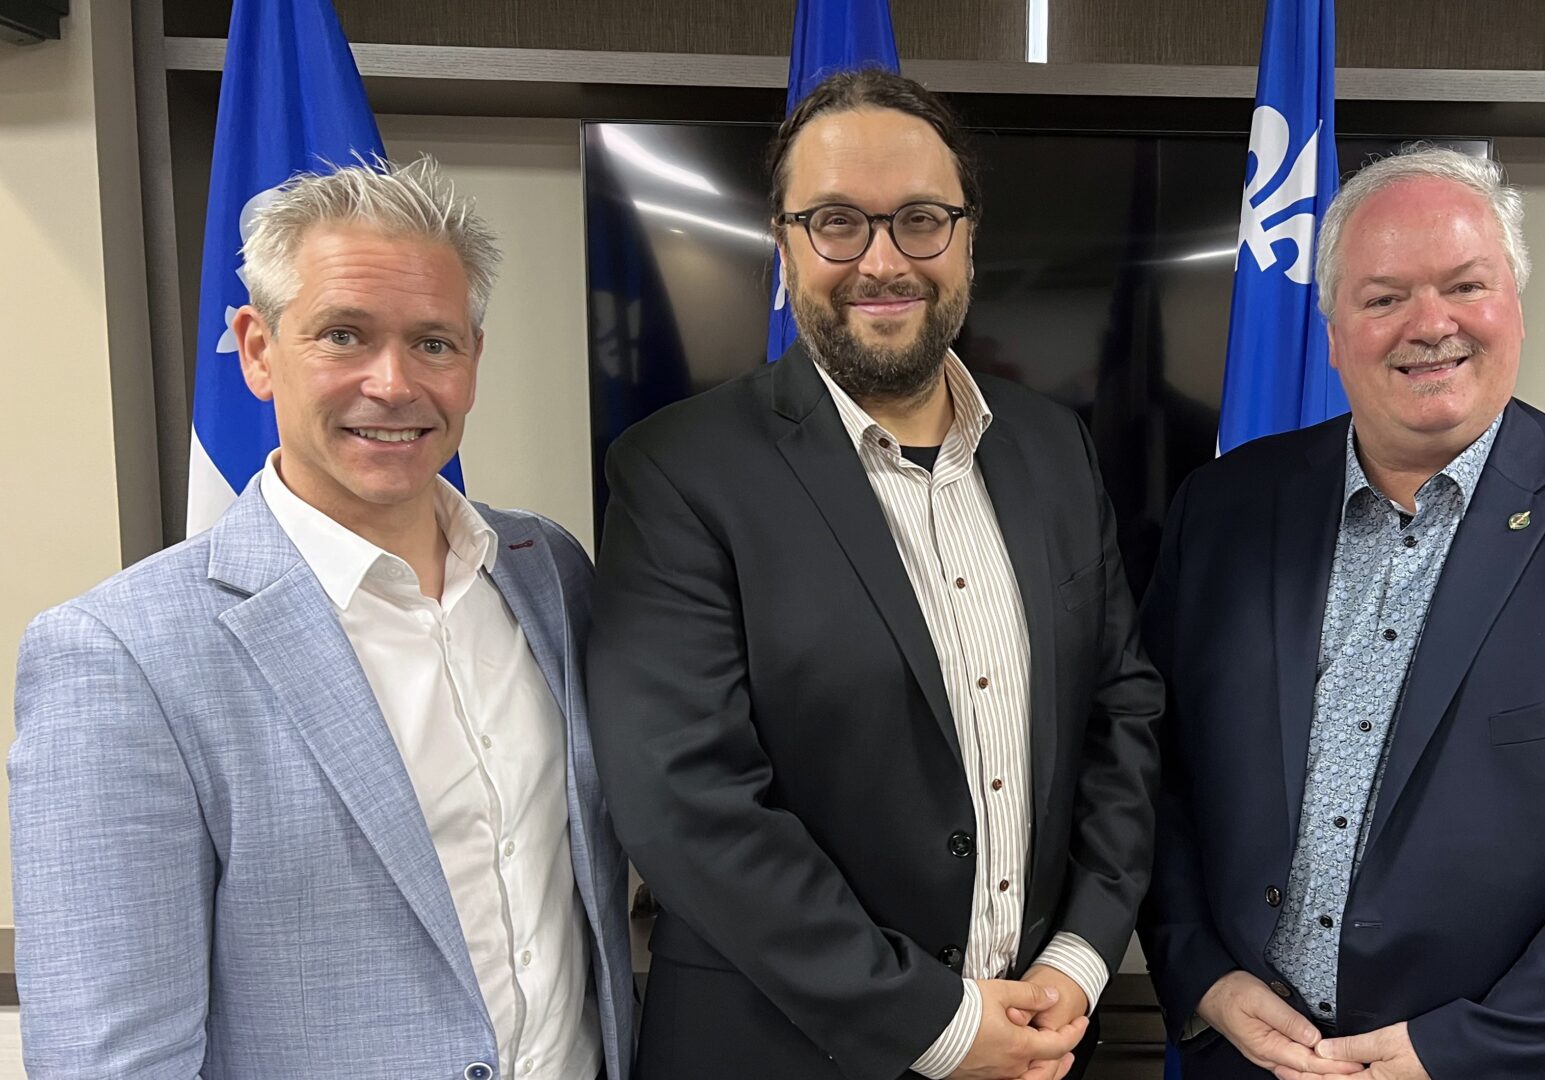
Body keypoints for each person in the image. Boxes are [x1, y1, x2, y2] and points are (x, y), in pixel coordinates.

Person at [1138, 147, 1545, 1080]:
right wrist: (1201, 972)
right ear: (1335, 330)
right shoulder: (1223, 510)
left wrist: (1458, 1047)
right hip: (1256, 1059)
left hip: (1527, 1063)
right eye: (1384, 297)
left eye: (1465, 285)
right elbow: (1156, 773)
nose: (1430, 325)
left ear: (1513, 299)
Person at [585, 69, 1162, 1080]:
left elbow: (1123, 709)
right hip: (782, 1053)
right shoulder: (675, 469)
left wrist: (1079, 956)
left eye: (922, 220)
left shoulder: (1053, 447)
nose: (883, 261)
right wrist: (934, 1023)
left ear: (969, 238)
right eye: (838, 222)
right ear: (785, 244)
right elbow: (686, 798)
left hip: (1041, 1042)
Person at [10, 158, 634, 1080]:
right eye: (344, 335)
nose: (393, 383)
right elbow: (112, 1059)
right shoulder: (120, 658)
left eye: (434, 343)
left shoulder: (549, 572)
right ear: (257, 350)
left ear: (473, 360)